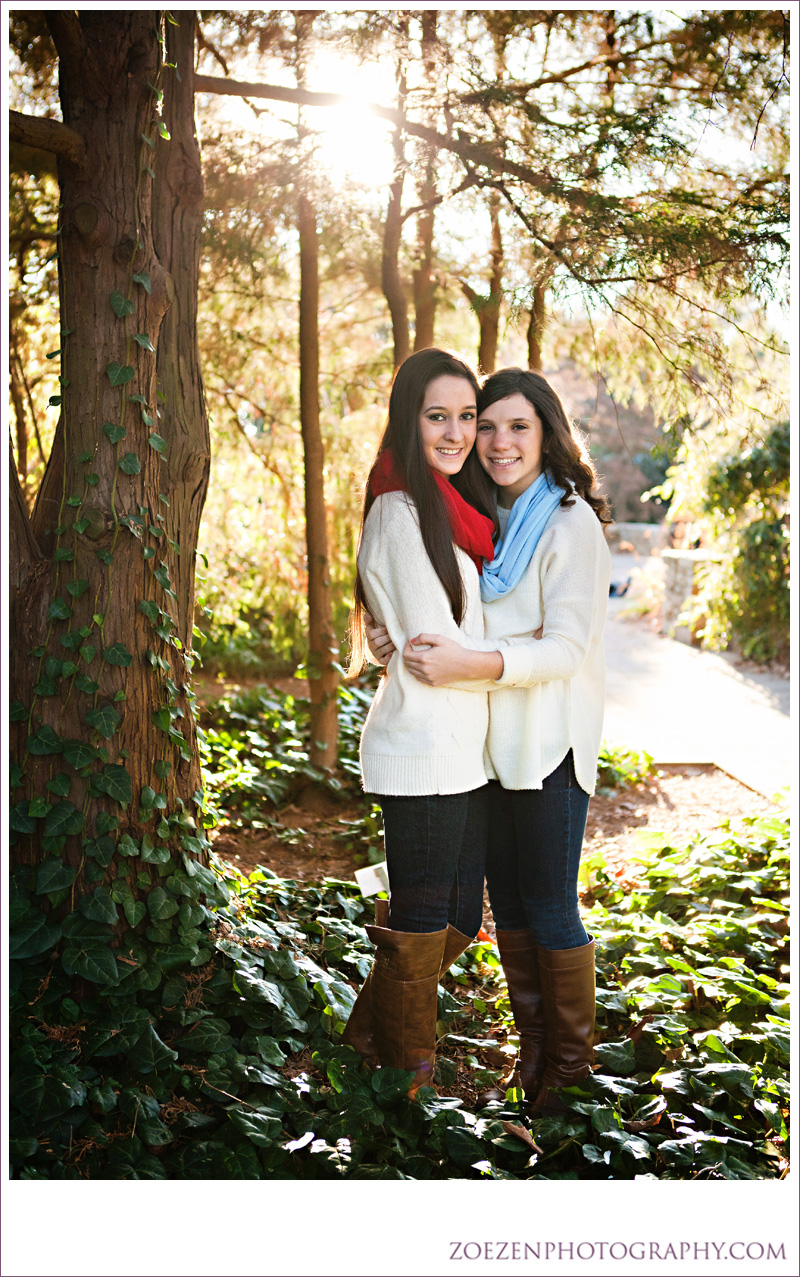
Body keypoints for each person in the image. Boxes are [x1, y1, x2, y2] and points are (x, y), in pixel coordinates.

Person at [368, 368, 612, 1116]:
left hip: (545, 744)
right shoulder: (483, 518)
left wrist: (472, 660)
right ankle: (532, 1053)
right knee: (506, 905)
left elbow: (566, 648)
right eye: (490, 425)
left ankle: (568, 1071)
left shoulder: (568, 523)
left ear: (548, 435)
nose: (499, 442)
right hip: (490, 748)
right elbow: (446, 612)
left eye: (518, 427)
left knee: (547, 902)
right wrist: (393, 639)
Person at [343, 347, 502, 1097]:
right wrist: (508, 656)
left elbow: (453, 637)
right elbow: (436, 645)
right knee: (422, 917)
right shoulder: (400, 509)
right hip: (424, 747)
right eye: (438, 415)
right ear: (409, 419)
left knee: (456, 918)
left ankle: (368, 1034)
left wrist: (483, 653)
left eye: (466, 416)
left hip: (461, 748)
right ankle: (406, 1076)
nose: (456, 432)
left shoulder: (450, 509)